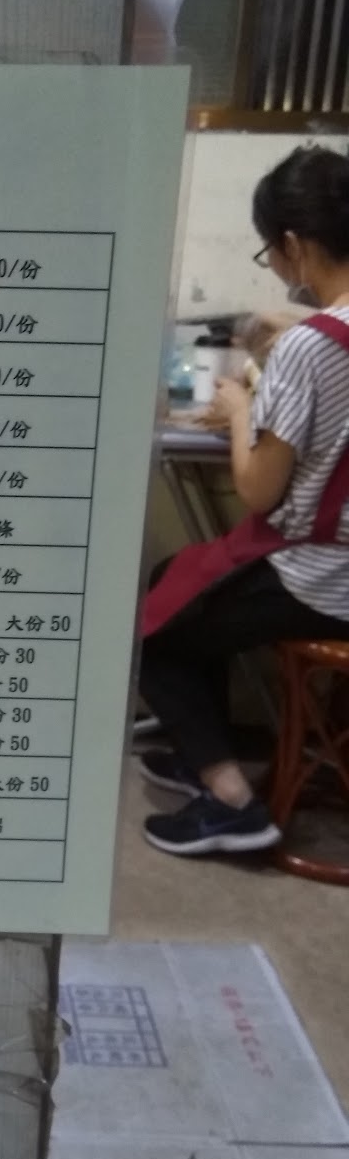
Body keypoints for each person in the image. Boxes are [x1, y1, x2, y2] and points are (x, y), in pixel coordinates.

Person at [139, 145, 349, 856]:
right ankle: (203, 749)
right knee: (180, 578)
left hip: (320, 575)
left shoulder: (307, 350)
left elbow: (260, 489)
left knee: (152, 627)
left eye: (270, 253)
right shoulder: (311, 340)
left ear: (294, 245)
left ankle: (234, 805)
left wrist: (237, 411)